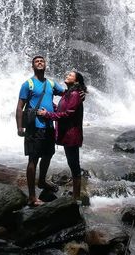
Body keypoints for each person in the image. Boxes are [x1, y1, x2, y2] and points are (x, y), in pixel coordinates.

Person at [16, 55, 65, 207]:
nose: (39, 63)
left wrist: (79, 91)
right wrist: (19, 126)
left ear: (45, 65)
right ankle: (32, 197)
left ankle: (42, 181)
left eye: (42, 61)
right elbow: (19, 107)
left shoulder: (51, 83)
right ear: (33, 66)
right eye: (36, 61)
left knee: (48, 154)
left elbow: (65, 94)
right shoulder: (28, 84)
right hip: (34, 127)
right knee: (33, 159)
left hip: (49, 126)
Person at [37, 70, 87, 202]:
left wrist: (47, 115)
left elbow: (67, 114)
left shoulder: (75, 94)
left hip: (71, 135)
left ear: (76, 81)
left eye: (70, 75)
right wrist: (48, 105)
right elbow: (61, 109)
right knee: (72, 163)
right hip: (67, 134)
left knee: (74, 165)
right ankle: (76, 196)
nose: (67, 75)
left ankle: (77, 198)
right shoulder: (68, 94)